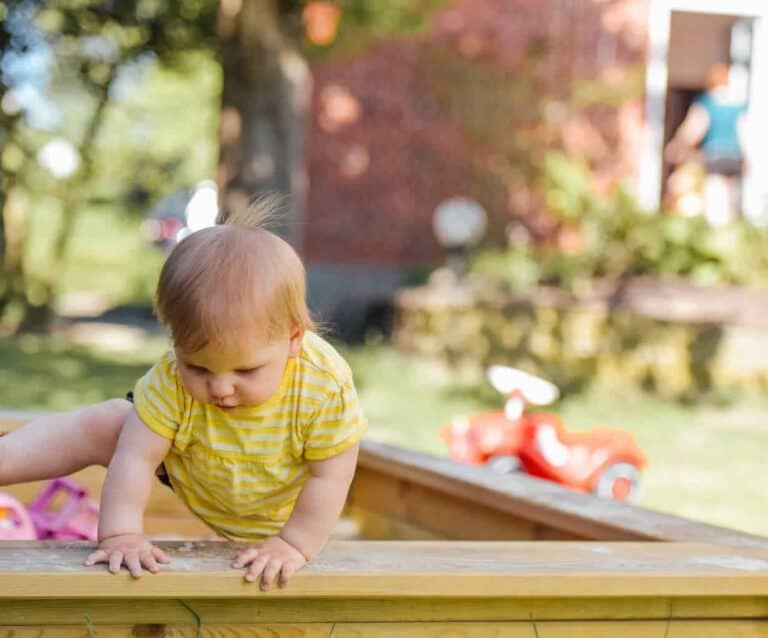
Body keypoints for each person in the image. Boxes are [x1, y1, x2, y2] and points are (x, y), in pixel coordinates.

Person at [0, 199, 367, 589]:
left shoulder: (323, 385)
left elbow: (331, 476)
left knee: (305, 506)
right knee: (111, 422)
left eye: (246, 370)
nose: (221, 388)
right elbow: (136, 457)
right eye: (199, 367)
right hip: (199, 466)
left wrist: (294, 543)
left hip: (283, 504)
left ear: (293, 340)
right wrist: (121, 534)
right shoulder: (172, 376)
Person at [665, 62, 749, 226]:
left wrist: (678, 144)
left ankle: (716, 232)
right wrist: (747, 156)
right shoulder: (737, 104)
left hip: (715, 153)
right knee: (729, 196)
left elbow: (695, 127)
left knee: (715, 196)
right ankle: (728, 229)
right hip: (734, 155)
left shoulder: (708, 102)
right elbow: (743, 131)